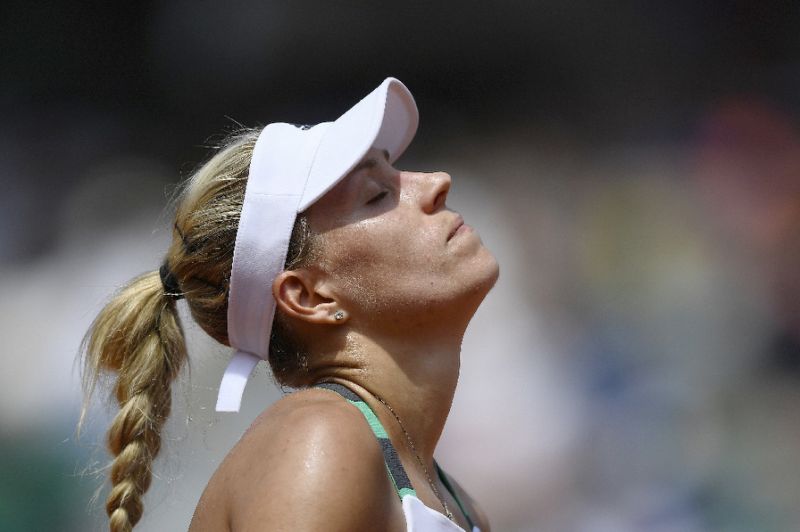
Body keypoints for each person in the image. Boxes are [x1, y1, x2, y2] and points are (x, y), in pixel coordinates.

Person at [79, 77, 498, 532]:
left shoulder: (454, 500)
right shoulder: (320, 441)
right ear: (310, 297)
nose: (437, 181)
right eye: (377, 193)